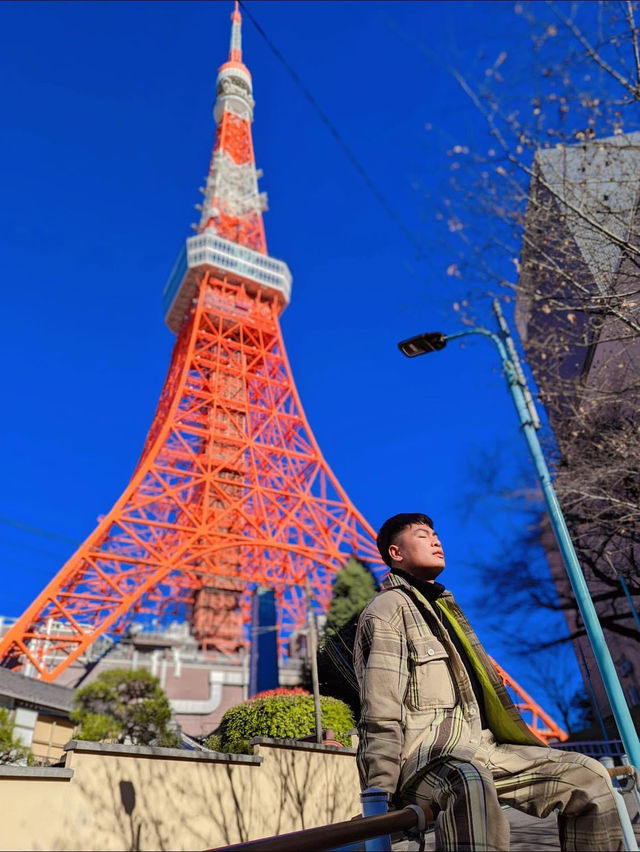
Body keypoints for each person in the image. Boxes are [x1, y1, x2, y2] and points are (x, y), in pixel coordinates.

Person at [353, 512, 624, 852]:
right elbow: (380, 709)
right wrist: (380, 794)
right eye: (423, 535)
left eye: (436, 534)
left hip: (483, 749)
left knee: (590, 777)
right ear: (396, 553)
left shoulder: (445, 609)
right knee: (468, 781)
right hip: (428, 758)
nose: (436, 540)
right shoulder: (387, 610)